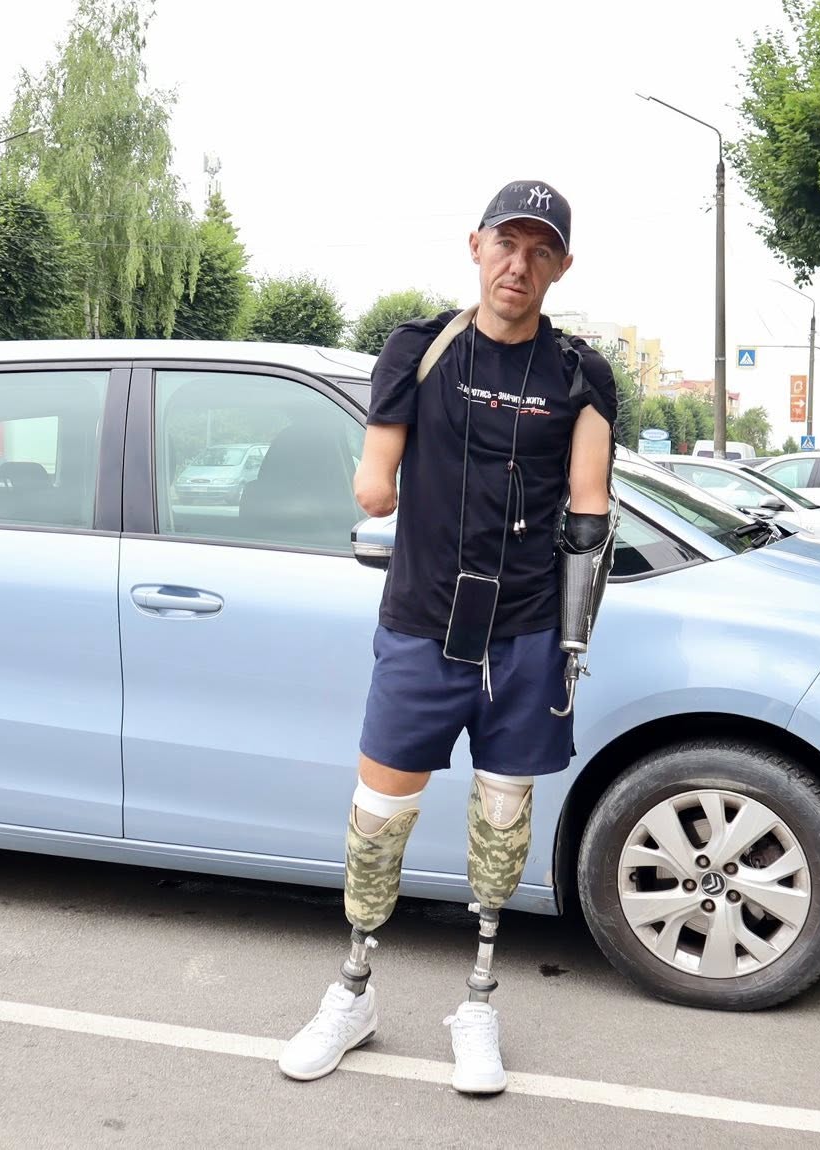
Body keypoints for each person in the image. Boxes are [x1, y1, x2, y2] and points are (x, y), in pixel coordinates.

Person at [278, 181, 619, 1094]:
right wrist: (383, 475)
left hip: (525, 636)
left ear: (562, 267)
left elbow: (590, 512)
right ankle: (353, 990)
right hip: (424, 627)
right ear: (475, 246)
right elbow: (374, 484)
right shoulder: (418, 349)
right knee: (379, 816)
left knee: (502, 824)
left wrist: (574, 639)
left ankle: (478, 1002)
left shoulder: (581, 375)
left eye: (541, 251)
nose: (520, 264)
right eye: (507, 243)